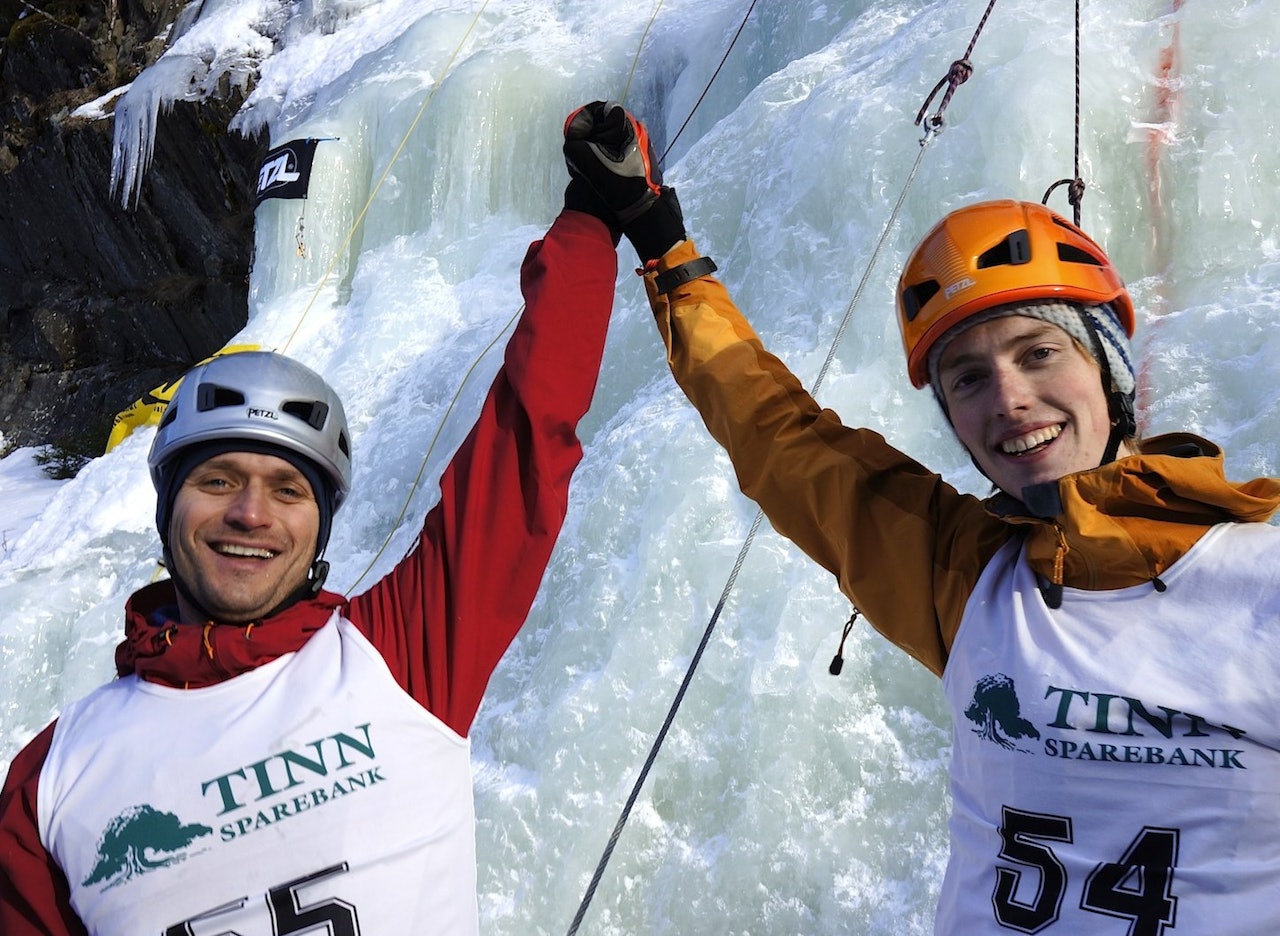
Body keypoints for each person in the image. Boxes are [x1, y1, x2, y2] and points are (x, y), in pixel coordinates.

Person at [564, 100, 1280, 933]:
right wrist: (660, 241)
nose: (1009, 399)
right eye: (967, 379)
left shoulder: (1258, 588)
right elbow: (781, 438)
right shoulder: (968, 580)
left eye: (1039, 352)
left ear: (1110, 371)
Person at [0, 114, 625, 934]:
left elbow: (528, 438)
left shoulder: (404, 655)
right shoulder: (50, 783)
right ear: (167, 508)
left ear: (321, 525)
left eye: (288, 491)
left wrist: (592, 220)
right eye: (217, 479)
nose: (250, 514)